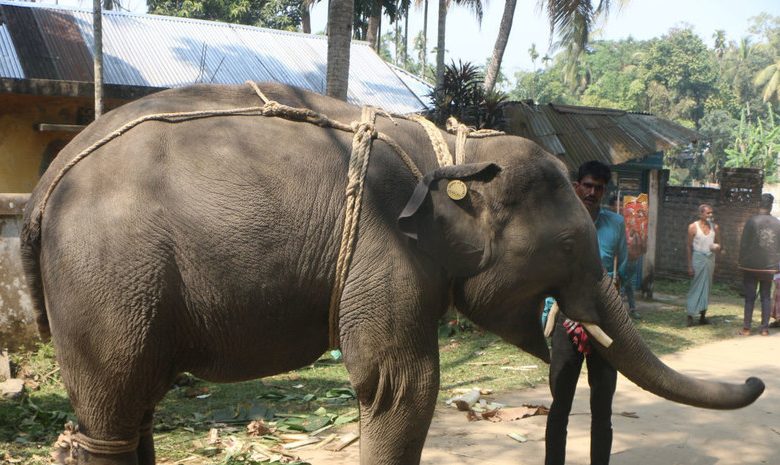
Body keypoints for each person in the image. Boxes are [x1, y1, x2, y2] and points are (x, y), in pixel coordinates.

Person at [545, 160, 627, 465]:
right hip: (566, 323)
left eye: (599, 188)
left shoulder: (616, 225)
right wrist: (549, 322)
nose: (592, 192)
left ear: (605, 191)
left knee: (602, 409)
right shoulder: (557, 223)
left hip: (605, 328)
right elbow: (546, 277)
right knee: (559, 407)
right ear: (577, 186)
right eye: (587, 185)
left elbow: (625, 273)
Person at [737, 193, 780, 336]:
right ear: (771, 206)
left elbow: (744, 244)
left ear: (759, 204)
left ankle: (747, 328)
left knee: (749, 297)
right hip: (768, 267)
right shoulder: (777, 223)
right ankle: (764, 329)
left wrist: (741, 262)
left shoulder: (752, 221)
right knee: (766, 297)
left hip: (750, 265)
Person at [685, 204, 721, 327]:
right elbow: (688, 247)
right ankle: (690, 315)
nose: (710, 215)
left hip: (710, 259)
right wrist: (690, 266)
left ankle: (702, 316)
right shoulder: (693, 227)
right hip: (698, 259)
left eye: (711, 213)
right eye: (707, 213)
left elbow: (719, 244)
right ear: (701, 214)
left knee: (707, 287)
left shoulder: (715, 227)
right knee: (695, 286)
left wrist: (716, 248)